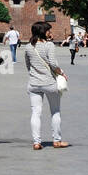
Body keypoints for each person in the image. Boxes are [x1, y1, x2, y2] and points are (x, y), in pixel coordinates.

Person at [23, 21, 68, 149]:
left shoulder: (28, 47)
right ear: (43, 32)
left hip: (33, 83)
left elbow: (28, 65)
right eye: (48, 30)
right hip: (49, 82)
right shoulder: (49, 45)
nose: (50, 33)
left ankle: (36, 142)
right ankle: (57, 140)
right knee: (55, 111)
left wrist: (34, 74)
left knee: (35, 113)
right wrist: (62, 73)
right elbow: (53, 64)